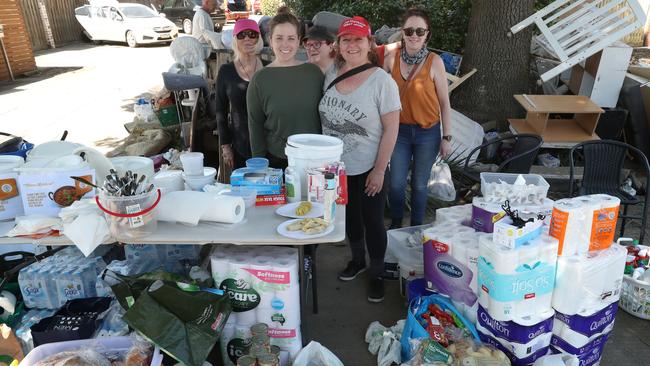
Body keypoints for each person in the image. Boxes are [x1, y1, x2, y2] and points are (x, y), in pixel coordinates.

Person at [319, 16, 401, 303]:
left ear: (369, 43)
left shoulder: (382, 82)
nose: (352, 45)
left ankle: (377, 273)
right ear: (338, 44)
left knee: (373, 221)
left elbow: (392, 128)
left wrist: (379, 170)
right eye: (346, 40)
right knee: (350, 219)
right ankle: (358, 260)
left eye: (358, 39)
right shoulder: (331, 72)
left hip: (369, 167)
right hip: (338, 169)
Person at [383, 8, 453, 229]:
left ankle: (415, 228)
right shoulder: (390, 59)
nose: (414, 35)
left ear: (427, 34)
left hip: (428, 133)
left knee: (420, 185)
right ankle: (395, 224)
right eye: (409, 30)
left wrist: (447, 137)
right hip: (398, 132)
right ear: (402, 32)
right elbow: (380, 98)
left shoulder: (435, 62)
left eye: (420, 31)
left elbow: (444, 102)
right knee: (395, 184)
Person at [247, 7, 324, 169]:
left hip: (316, 159)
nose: (285, 44)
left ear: (298, 40)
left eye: (290, 38)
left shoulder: (314, 73)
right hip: (277, 160)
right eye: (279, 38)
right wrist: (260, 167)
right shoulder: (260, 80)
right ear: (270, 39)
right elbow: (255, 126)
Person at [216, 19, 267, 170]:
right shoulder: (226, 71)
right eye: (241, 35)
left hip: (270, 145)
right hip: (240, 145)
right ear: (235, 40)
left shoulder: (269, 68)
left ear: (259, 39)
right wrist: (225, 147)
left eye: (252, 34)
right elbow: (220, 110)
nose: (247, 39)